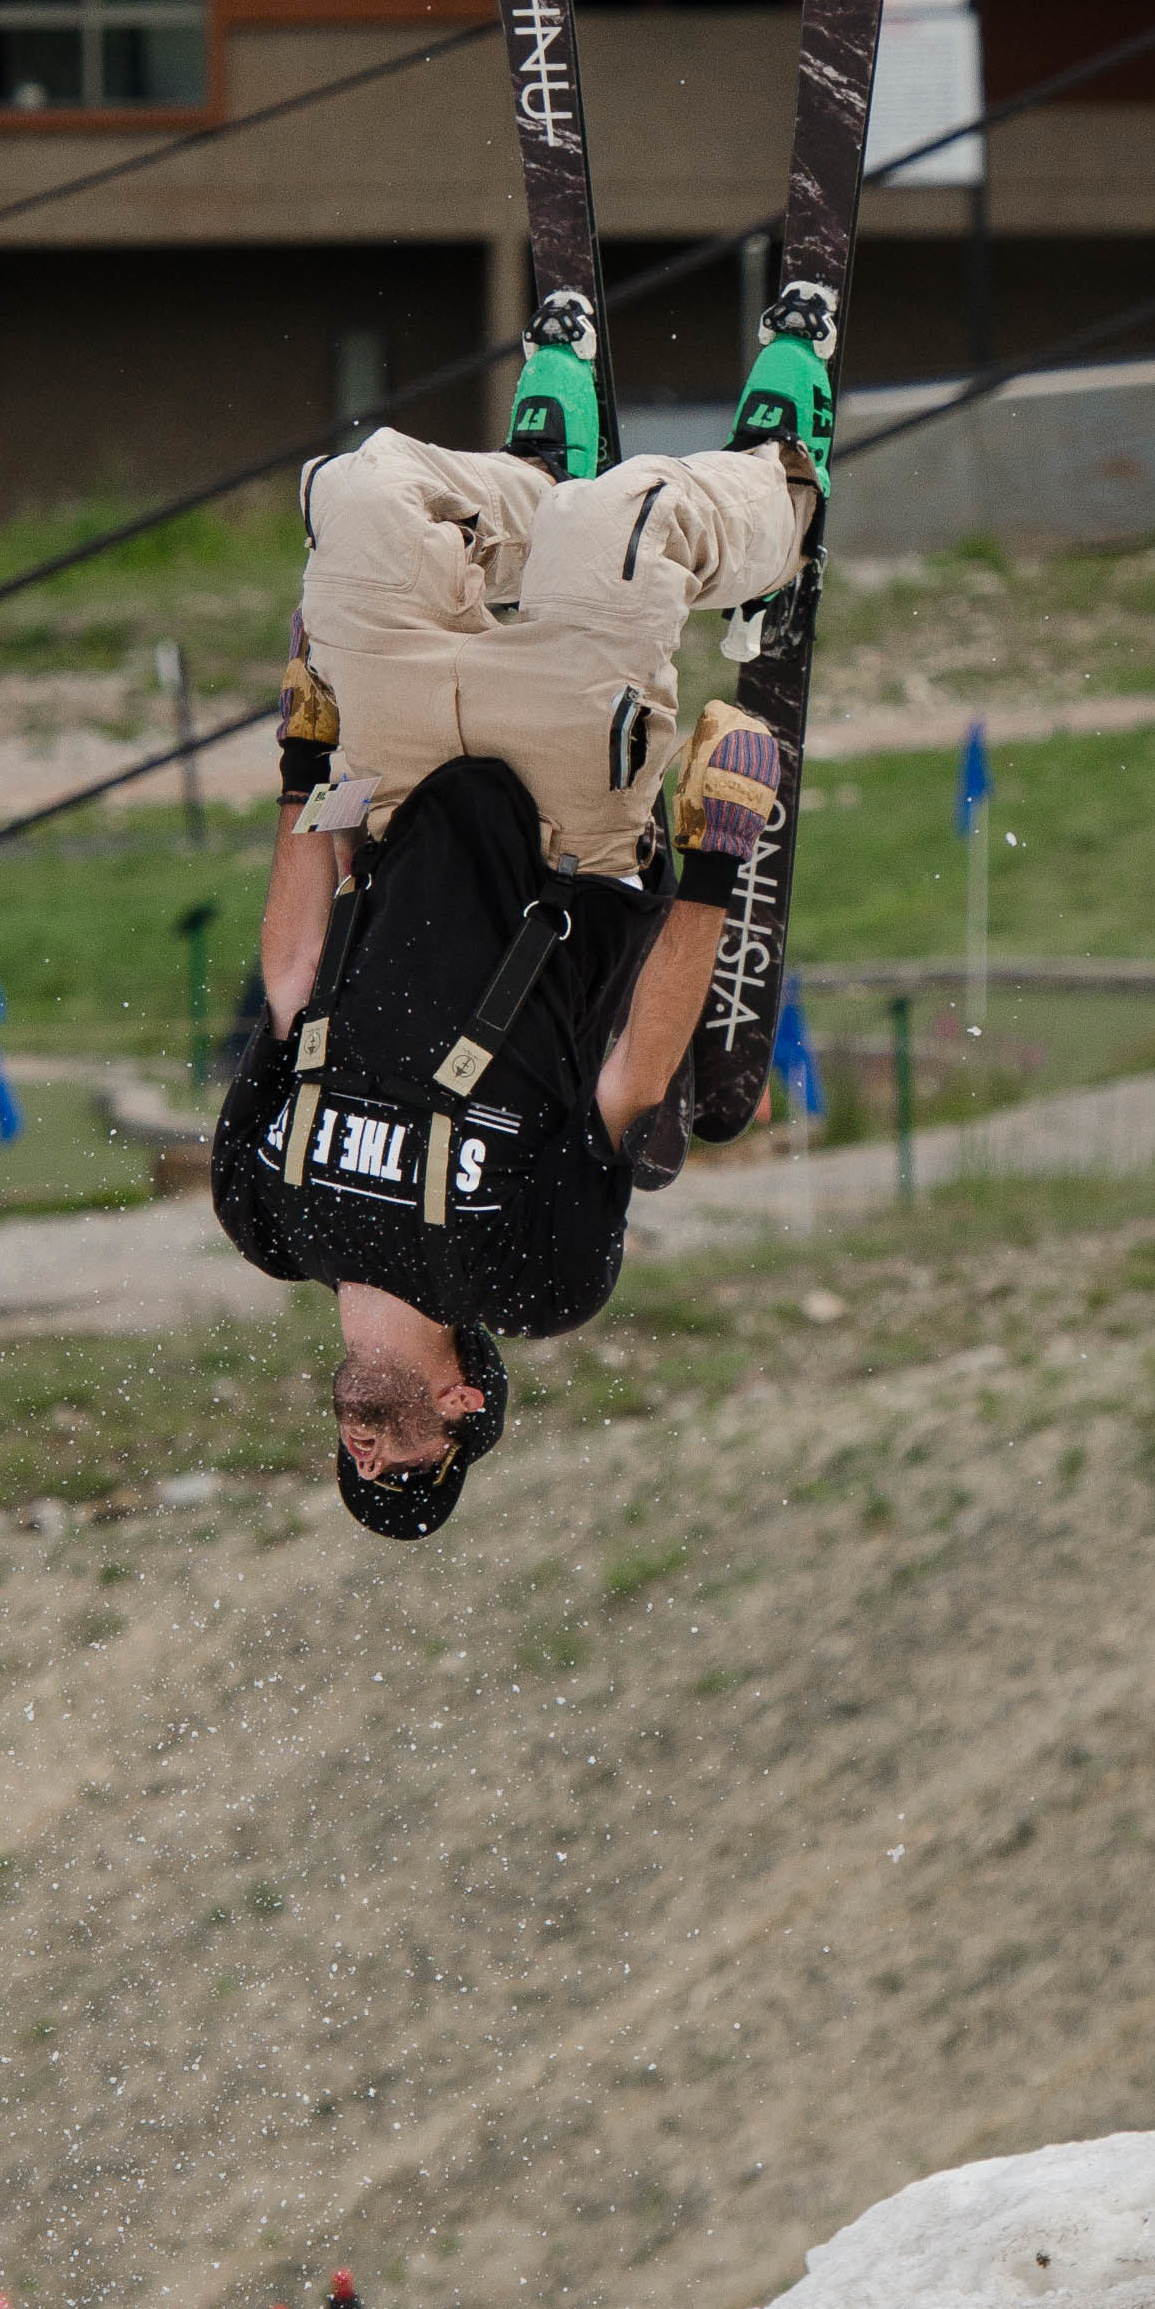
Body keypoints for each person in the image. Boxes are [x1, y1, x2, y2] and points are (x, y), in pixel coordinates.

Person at [211, 288, 832, 1539]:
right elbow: (632, 1073)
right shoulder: (533, 1279)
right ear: (463, 1402)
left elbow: (291, 978)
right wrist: (711, 860)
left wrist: (301, 771)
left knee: (356, 489)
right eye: (412, 1467)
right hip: (566, 827)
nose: (372, 1457)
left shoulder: (266, 1218)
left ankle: (530, 490)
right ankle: (780, 495)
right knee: (632, 523)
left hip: (385, 791)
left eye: (360, 1473)